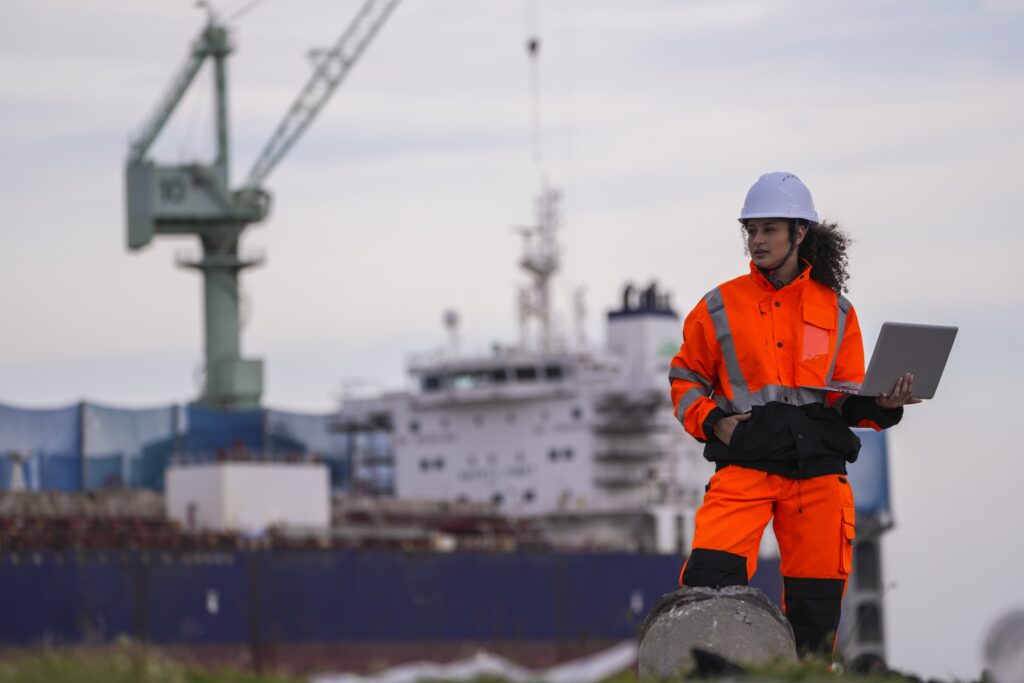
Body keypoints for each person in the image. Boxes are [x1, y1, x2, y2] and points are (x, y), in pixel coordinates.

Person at [668, 171, 919, 658]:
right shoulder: (718, 307)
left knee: (816, 620)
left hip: (818, 478)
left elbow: (842, 398)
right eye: (752, 230)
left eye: (769, 230)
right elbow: (685, 379)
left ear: (799, 233)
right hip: (744, 465)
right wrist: (712, 419)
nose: (758, 241)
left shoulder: (837, 311)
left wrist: (882, 405)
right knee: (707, 589)